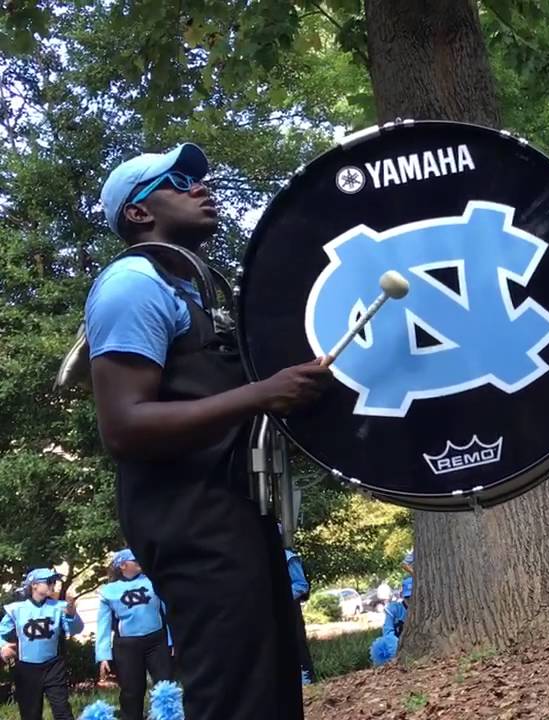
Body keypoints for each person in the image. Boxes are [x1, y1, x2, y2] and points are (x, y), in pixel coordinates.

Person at [87, 144, 330, 720]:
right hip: (188, 518)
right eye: (177, 181)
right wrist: (261, 393)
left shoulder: (196, 293)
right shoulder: (132, 285)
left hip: (235, 508)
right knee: (233, 696)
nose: (200, 186)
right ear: (138, 213)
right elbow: (123, 426)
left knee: (271, 688)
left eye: (198, 178)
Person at [96, 549, 174, 720]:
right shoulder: (109, 591)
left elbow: (168, 611)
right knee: (132, 691)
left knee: (165, 685)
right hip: (127, 646)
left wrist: (172, 640)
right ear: (123, 565)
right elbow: (103, 625)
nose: (140, 561)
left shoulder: (153, 581)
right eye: (135, 559)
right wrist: (103, 656)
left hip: (157, 641)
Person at [0, 569, 83, 720]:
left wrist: (72, 615)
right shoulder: (16, 609)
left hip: (53, 666)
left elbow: (75, 630)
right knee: (30, 714)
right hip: (26, 669)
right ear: (34, 585)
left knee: (62, 710)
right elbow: (1, 632)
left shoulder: (59, 607)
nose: (53, 585)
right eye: (49, 581)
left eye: (54, 582)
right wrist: (3, 646)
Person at [284, 546, 316, 685]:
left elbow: (301, 585)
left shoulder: (289, 557)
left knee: (297, 647)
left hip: (290, 612)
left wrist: (280, 596)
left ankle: (307, 682)